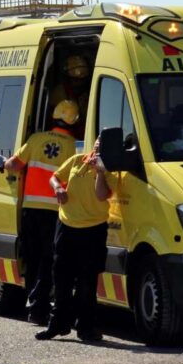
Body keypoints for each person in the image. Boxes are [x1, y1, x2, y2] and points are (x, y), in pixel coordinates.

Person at [0, 100, 79, 325]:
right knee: (49, 260)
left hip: (31, 209)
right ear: (74, 122)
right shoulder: (72, 145)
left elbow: (14, 165)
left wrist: (2, 163)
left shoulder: (36, 139)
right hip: (56, 211)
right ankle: (42, 307)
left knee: (32, 259)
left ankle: (35, 310)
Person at [35, 137, 116, 343]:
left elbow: (101, 195)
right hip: (66, 226)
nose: (97, 148)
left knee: (87, 282)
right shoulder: (77, 160)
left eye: (102, 147)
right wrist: (58, 188)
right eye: (97, 144)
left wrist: (100, 171)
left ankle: (86, 328)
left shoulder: (111, 170)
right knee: (61, 278)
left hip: (93, 229)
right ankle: (57, 325)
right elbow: (54, 176)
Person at [49, 55, 92, 131]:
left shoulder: (86, 95)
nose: (80, 84)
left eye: (83, 80)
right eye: (76, 80)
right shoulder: (60, 92)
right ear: (69, 78)